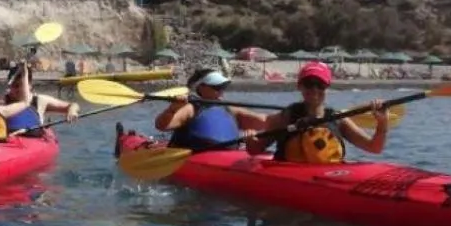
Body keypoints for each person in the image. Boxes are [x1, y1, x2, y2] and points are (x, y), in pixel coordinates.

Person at [249, 61, 389, 163]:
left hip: (328, 176)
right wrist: (250, 138)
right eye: (309, 83)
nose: (315, 89)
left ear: (327, 87)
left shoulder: (338, 119)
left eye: (320, 85)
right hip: (291, 177)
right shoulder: (285, 117)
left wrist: (382, 123)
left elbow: (374, 148)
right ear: (300, 86)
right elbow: (255, 149)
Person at [155, 68, 268, 150]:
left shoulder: (230, 109)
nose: (221, 90)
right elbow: (161, 125)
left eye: (223, 87)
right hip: (195, 155)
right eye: (217, 87)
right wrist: (172, 109)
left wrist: (284, 118)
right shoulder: (190, 108)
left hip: (228, 155)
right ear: (201, 88)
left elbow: (264, 121)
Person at [0, 64, 80, 134]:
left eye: (20, 85)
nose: (17, 89)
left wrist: (72, 111)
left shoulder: (40, 100)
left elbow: (72, 105)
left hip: (33, 141)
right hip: (10, 142)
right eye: (14, 86)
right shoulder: (3, 100)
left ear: (29, 85)